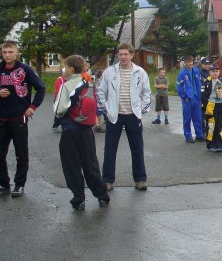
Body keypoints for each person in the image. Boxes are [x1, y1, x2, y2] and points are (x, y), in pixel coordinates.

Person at [0, 41, 46, 198]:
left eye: (10, 52)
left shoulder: (25, 70)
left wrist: (33, 106)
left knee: (21, 153)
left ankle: (19, 185)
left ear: (17, 53)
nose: (7, 55)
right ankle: (3, 184)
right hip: (2, 117)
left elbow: (41, 88)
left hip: (20, 117)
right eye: (4, 52)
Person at [53, 55, 109, 210]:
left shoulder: (66, 85)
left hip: (70, 131)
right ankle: (102, 196)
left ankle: (79, 198)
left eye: (65, 67)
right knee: (91, 164)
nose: (64, 70)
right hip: (86, 131)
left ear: (71, 69)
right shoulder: (88, 84)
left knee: (72, 166)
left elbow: (59, 109)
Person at [97, 43, 151, 191]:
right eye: (120, 54)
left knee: (137, 149)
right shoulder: (109, 72)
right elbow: (100, 91)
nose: (123, 57)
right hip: (114, 116)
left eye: (126, 54)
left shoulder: (140, 72)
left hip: (133, 116)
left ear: (132, 55)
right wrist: (106, 110)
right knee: (109, 149)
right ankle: (107, 180)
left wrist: (141, 111)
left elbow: (146, 93)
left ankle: (140, 180)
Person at [177, 55, 205, 143]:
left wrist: (200, 96)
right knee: (187, 118)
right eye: (188, 62)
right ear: (185, 62)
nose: (190, 63)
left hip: (196, 97)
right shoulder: (182, 73)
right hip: (187, 99)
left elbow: (199, 83)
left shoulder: (196, 71)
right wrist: (184, 97)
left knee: (198, 118)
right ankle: (188, 136)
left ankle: (199, 135)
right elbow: (179, 87)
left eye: (191, 61)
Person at [202, 64, 222, 152]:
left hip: (221, 105)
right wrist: (205, 106)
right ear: (210, 72)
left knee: (219, 126)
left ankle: (219, 145)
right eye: (213, 71)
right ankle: (211, 145)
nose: (215, 73)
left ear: (219, 72)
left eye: (217, 71)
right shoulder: (206, 82)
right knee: (211, 126)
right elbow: (203, 96)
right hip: (211, 106)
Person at [52, 67, 66, 133]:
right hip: (59, 99)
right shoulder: (60, 79)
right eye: (65, 72)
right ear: (63, 73)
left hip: (65, 99)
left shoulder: (68, 79)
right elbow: (59, 90)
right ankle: (55, 126)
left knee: (65, 114)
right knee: (59, 114)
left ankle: (64, 126)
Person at [199, 58, 212, 131]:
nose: (207, 66)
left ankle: (209, 129)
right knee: (202, 114)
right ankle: (202, 130)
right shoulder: (199, 73)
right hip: (202, 97)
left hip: (210, 96)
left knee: (210, 114)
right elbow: (201, 84)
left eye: (208, 64)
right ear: (202, 64)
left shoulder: (211, 72)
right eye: (205, 64)